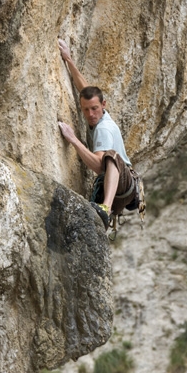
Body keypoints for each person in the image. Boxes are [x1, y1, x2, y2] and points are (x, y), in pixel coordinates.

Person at [58, 39, 136, 231]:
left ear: (104, 105)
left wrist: (73, 139)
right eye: (86, 110)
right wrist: (68, 59)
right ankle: (103, 211)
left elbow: (98, 165)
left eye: (94, 109)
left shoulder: (104, 128)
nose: (90, 114)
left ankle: (105, 209)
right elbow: (84, 89)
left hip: (125, 182)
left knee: (110, 157)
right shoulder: (98, 110)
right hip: (120, 187)